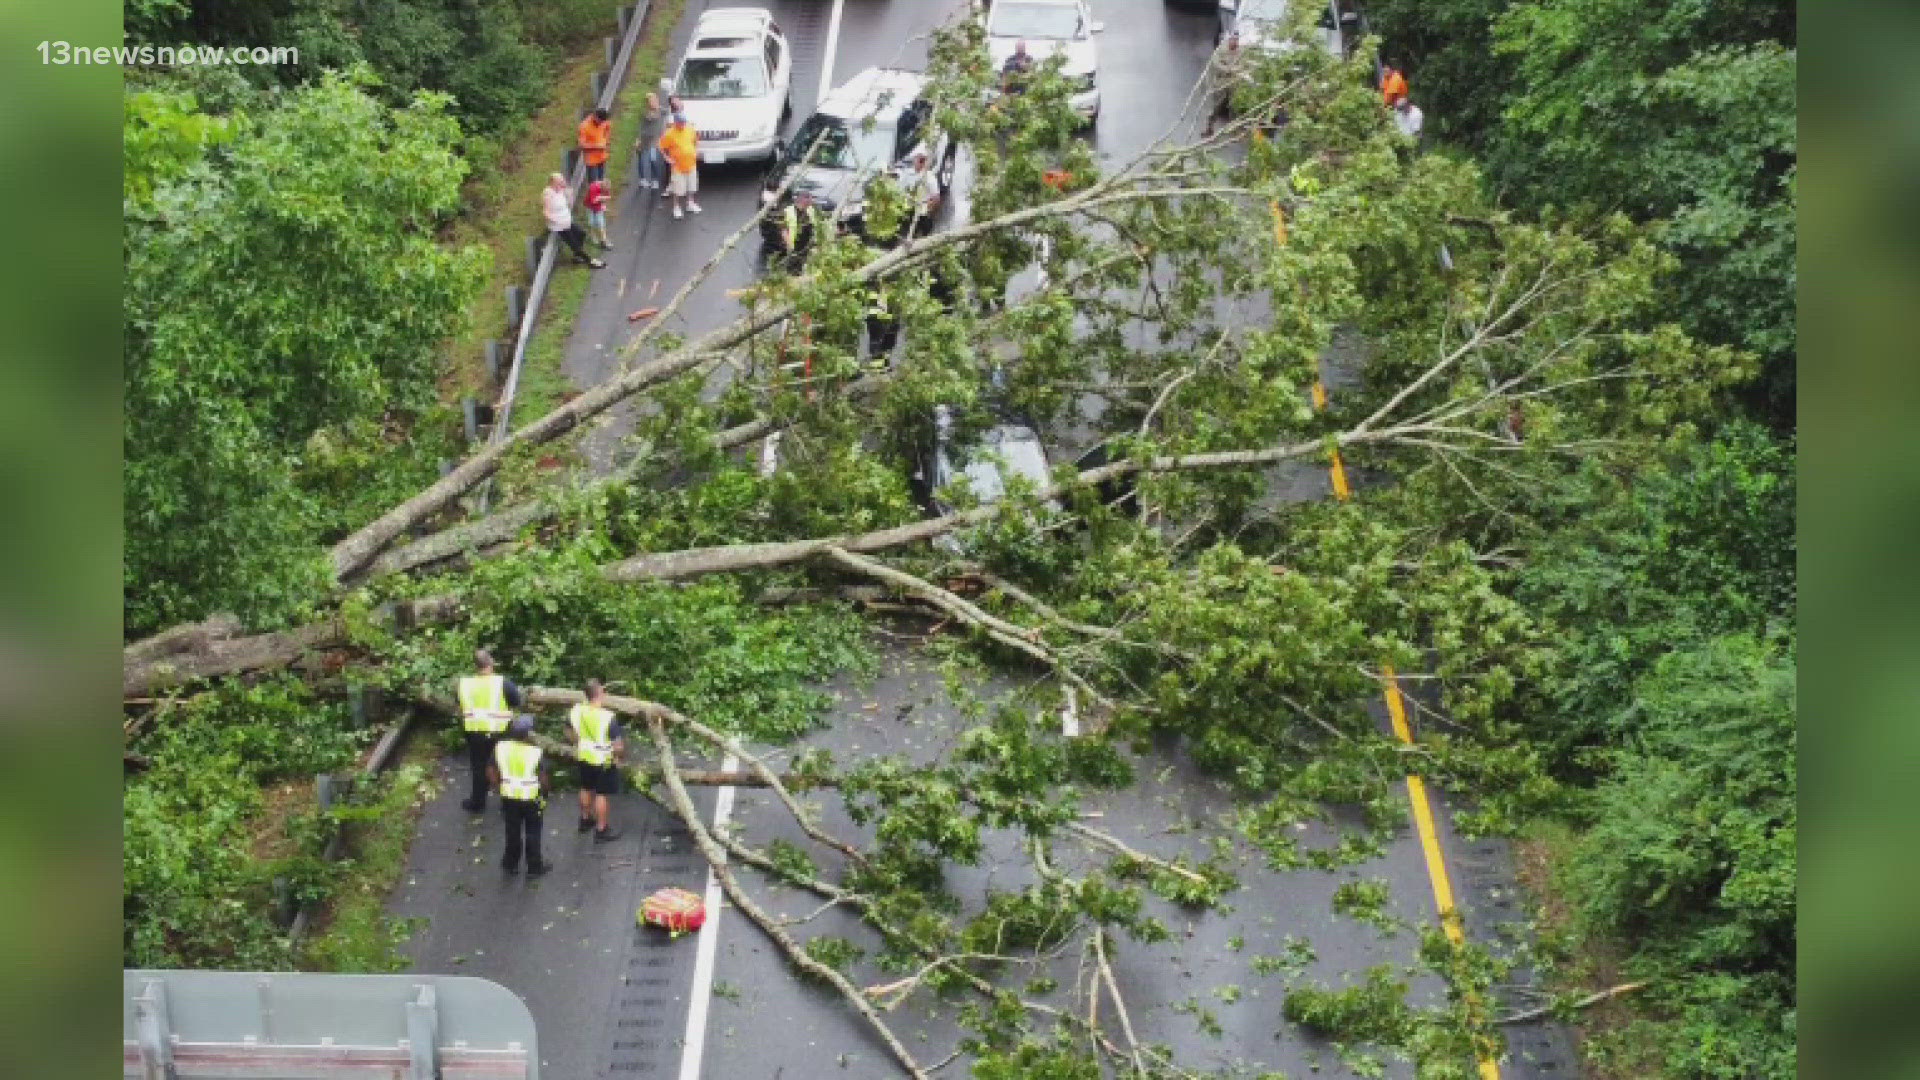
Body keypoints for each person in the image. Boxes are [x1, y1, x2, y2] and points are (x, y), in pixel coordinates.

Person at [457, 649, 525, 812]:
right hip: (499, 732)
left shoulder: (464, 684)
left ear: (476, 666)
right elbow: (516, 702)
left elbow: (460, 703)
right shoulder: (503, 683)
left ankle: (478, 803)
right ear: (491, 662)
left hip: (475, 732)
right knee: (504, 767)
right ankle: (507, 805)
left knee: (479, 768)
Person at [488, 715, 553, 876]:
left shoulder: (501, 747)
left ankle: (510, 863)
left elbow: (490, 770)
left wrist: (496, 785)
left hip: (509, 796)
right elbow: (543, 778)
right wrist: (545, 793)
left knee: (512, 830)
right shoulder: (536, 752)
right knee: (533, 831)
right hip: (531, 797)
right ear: (529, 734)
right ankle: (534, 866)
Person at [569, 680, 625, 842]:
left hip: (584, 755)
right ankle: (601, 829)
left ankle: (585, 820)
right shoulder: (608, 717)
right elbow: (618, 746)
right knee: (601, 794)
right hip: (603, 759)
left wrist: (577, 742)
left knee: (585, 788)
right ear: (600, 693)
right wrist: (618, 758)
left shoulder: (577, 710)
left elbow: (569, 729)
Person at [542, 174, 607, 269]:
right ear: (553, 183)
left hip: (567, 221)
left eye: (562, 181)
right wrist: (556, 221)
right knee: (574, 243)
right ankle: (590, 261)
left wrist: (568, 192)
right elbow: (545, 212)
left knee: (581, 234)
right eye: (559, 182)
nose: (562, 183)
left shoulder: (560, 190)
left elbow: (569, 201)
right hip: (559, 225)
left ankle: (577, 256)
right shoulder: (548, 194)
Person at [658, 112, 702, 219]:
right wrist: (667, 158)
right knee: (678, 189)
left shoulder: (690, 129)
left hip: (691, 164)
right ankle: (676, 207)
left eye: (684, 122)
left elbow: (696, 141)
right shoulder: (669, 134)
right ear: (675, 122)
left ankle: (690, 204)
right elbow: (661, 146)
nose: (683, 124)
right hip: (678, 166)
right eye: (681, 122)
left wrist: (695, 151)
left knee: (691, 186)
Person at [636, 94, 682, 194]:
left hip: (655, 140)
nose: (652, 103)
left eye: (654, 100)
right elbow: (644, 123)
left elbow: (672, 112)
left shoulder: (662, 110)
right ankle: (642, 179)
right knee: (642, 159)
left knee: (653, 159)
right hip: (644, 139)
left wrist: (676, 104)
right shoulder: (645, 112)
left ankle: (654, 179)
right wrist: (638, 139)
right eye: (650, 101)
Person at [1204, 33, 1246, 137]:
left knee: (1234, 106)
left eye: (1236, 40)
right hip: (1221, 83)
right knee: (1216, 106)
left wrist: (1234, 69)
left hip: (1233, 82)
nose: (1234, 42)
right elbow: (1216, 64)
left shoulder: (1240, 52)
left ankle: (1234, 129)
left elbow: (1242, 65)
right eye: (1232, 40)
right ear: (1229, 40)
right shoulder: (1221, 50)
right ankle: (1209, 128)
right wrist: (1228, 69)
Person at [903, 151, 941, 235]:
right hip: (911, 207)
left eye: (918, 161)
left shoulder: (929, 178)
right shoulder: (909, 173)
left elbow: (936, 198)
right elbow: (903, 188)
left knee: (925, 229)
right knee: (911, 230)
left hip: (923, 209)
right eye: (915, 159)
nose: (915, 163)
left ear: (922, 163)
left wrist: (929, 210)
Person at [578, 107, 612, 184]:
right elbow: (581, 145)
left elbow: (608, 127)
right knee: (593, 184)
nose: (601, 123)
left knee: (602, 182)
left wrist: (606, 140)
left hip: (602, 157)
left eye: (603, 122)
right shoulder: (584, 126)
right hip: (591, 160)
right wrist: (597, 146)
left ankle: (600, 195)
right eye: (600, 121)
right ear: (595, 116)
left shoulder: (604, 121)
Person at [584, 176, 612, 250]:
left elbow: (608, 197)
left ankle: (604, 240)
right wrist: (601, 198)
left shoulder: (606, 187)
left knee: (601, 223)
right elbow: (593, 201)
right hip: (590, 206)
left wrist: (601, 201)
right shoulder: (593, 187)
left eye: (607, 190)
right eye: (604, 190)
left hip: (599, 207)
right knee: (591, 222)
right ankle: (593, 235)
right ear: (602, 186)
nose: (606, 191)